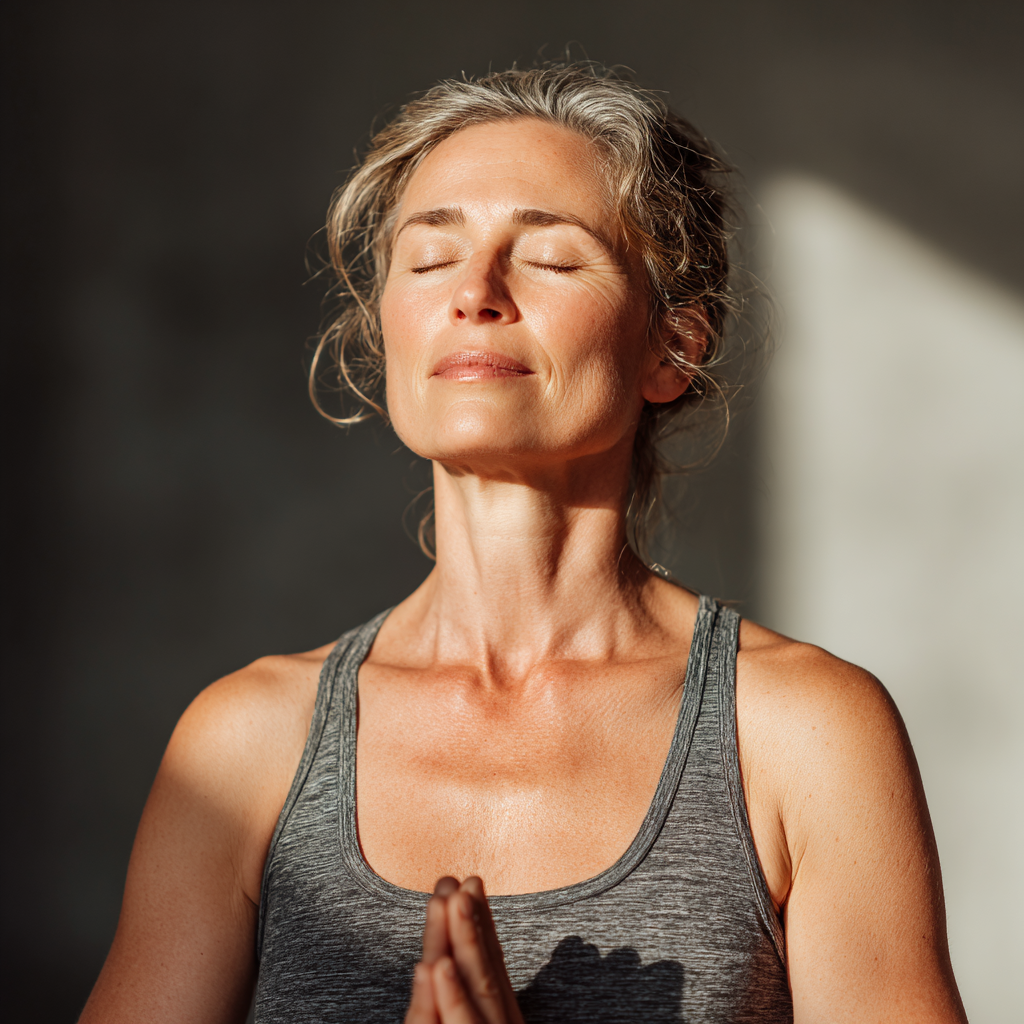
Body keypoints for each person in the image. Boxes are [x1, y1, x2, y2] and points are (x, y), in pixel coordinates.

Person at [80, 64, 967, 1024]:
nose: (475, 293)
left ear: (670, 349)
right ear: (384, 339)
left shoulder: (804, 734)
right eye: (429, 260)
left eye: (547, 259)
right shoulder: (242, 745)